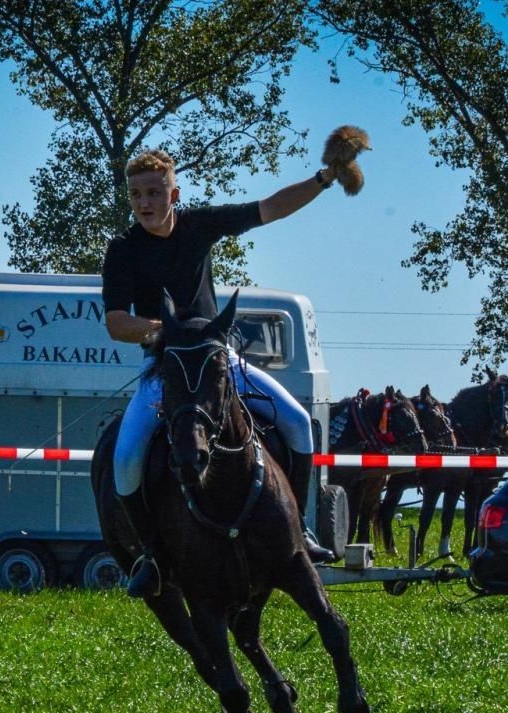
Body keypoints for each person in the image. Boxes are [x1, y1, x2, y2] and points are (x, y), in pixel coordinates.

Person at [102, 147, 348, 596]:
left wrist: (323, 179)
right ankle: (154, 556)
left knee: (297, 423)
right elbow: (117, 323)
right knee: (123, 460)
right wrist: (164, 330)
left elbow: (271, 208)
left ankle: (301, 532)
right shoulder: (122, 249)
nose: (144, 203)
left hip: (219, 362)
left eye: (154, 192)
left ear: (173, 193)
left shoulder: (200, 225)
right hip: (165, 367)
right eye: (136, 195)